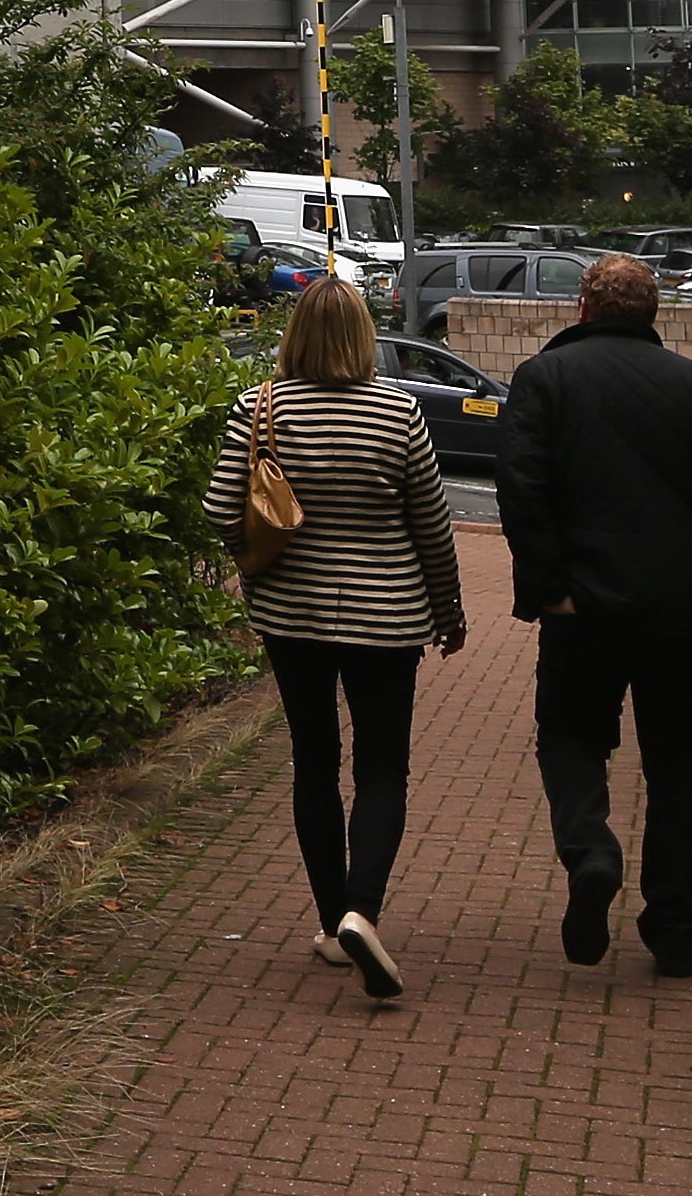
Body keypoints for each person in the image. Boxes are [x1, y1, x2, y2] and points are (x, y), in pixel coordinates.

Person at [494, 252, 692, 979]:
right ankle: (676, 928)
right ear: (654, 312)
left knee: (570, 737)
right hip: (686, 608)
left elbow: (521, 489)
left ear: (583, 309)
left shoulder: (545, 378)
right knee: (680, 768)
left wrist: (547, 588)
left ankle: (591, 852)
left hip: (585, 605)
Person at [204, 275, 463, 1003]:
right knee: (383, 767)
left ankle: (329, 921)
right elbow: (432, 524)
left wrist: (258, 561)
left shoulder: (260, 407)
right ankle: (362, 912)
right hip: (390, 614)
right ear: (362, 337)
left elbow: (221, 506)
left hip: (292, 615)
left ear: (295, 335)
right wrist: (448, 609)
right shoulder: (399, 410)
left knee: (314, 760)